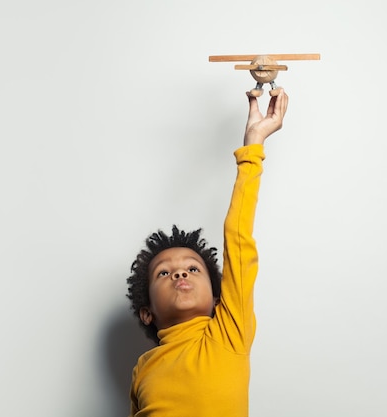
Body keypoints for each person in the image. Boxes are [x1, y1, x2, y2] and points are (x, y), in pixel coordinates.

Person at [126, 89, 289, 417]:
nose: (180, 273)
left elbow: (238, 238)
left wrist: (253, 145)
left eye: (192, 269)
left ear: (218, 299)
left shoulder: (228, 332)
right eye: (164, 273)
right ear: (147, 312)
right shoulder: (142, 368)